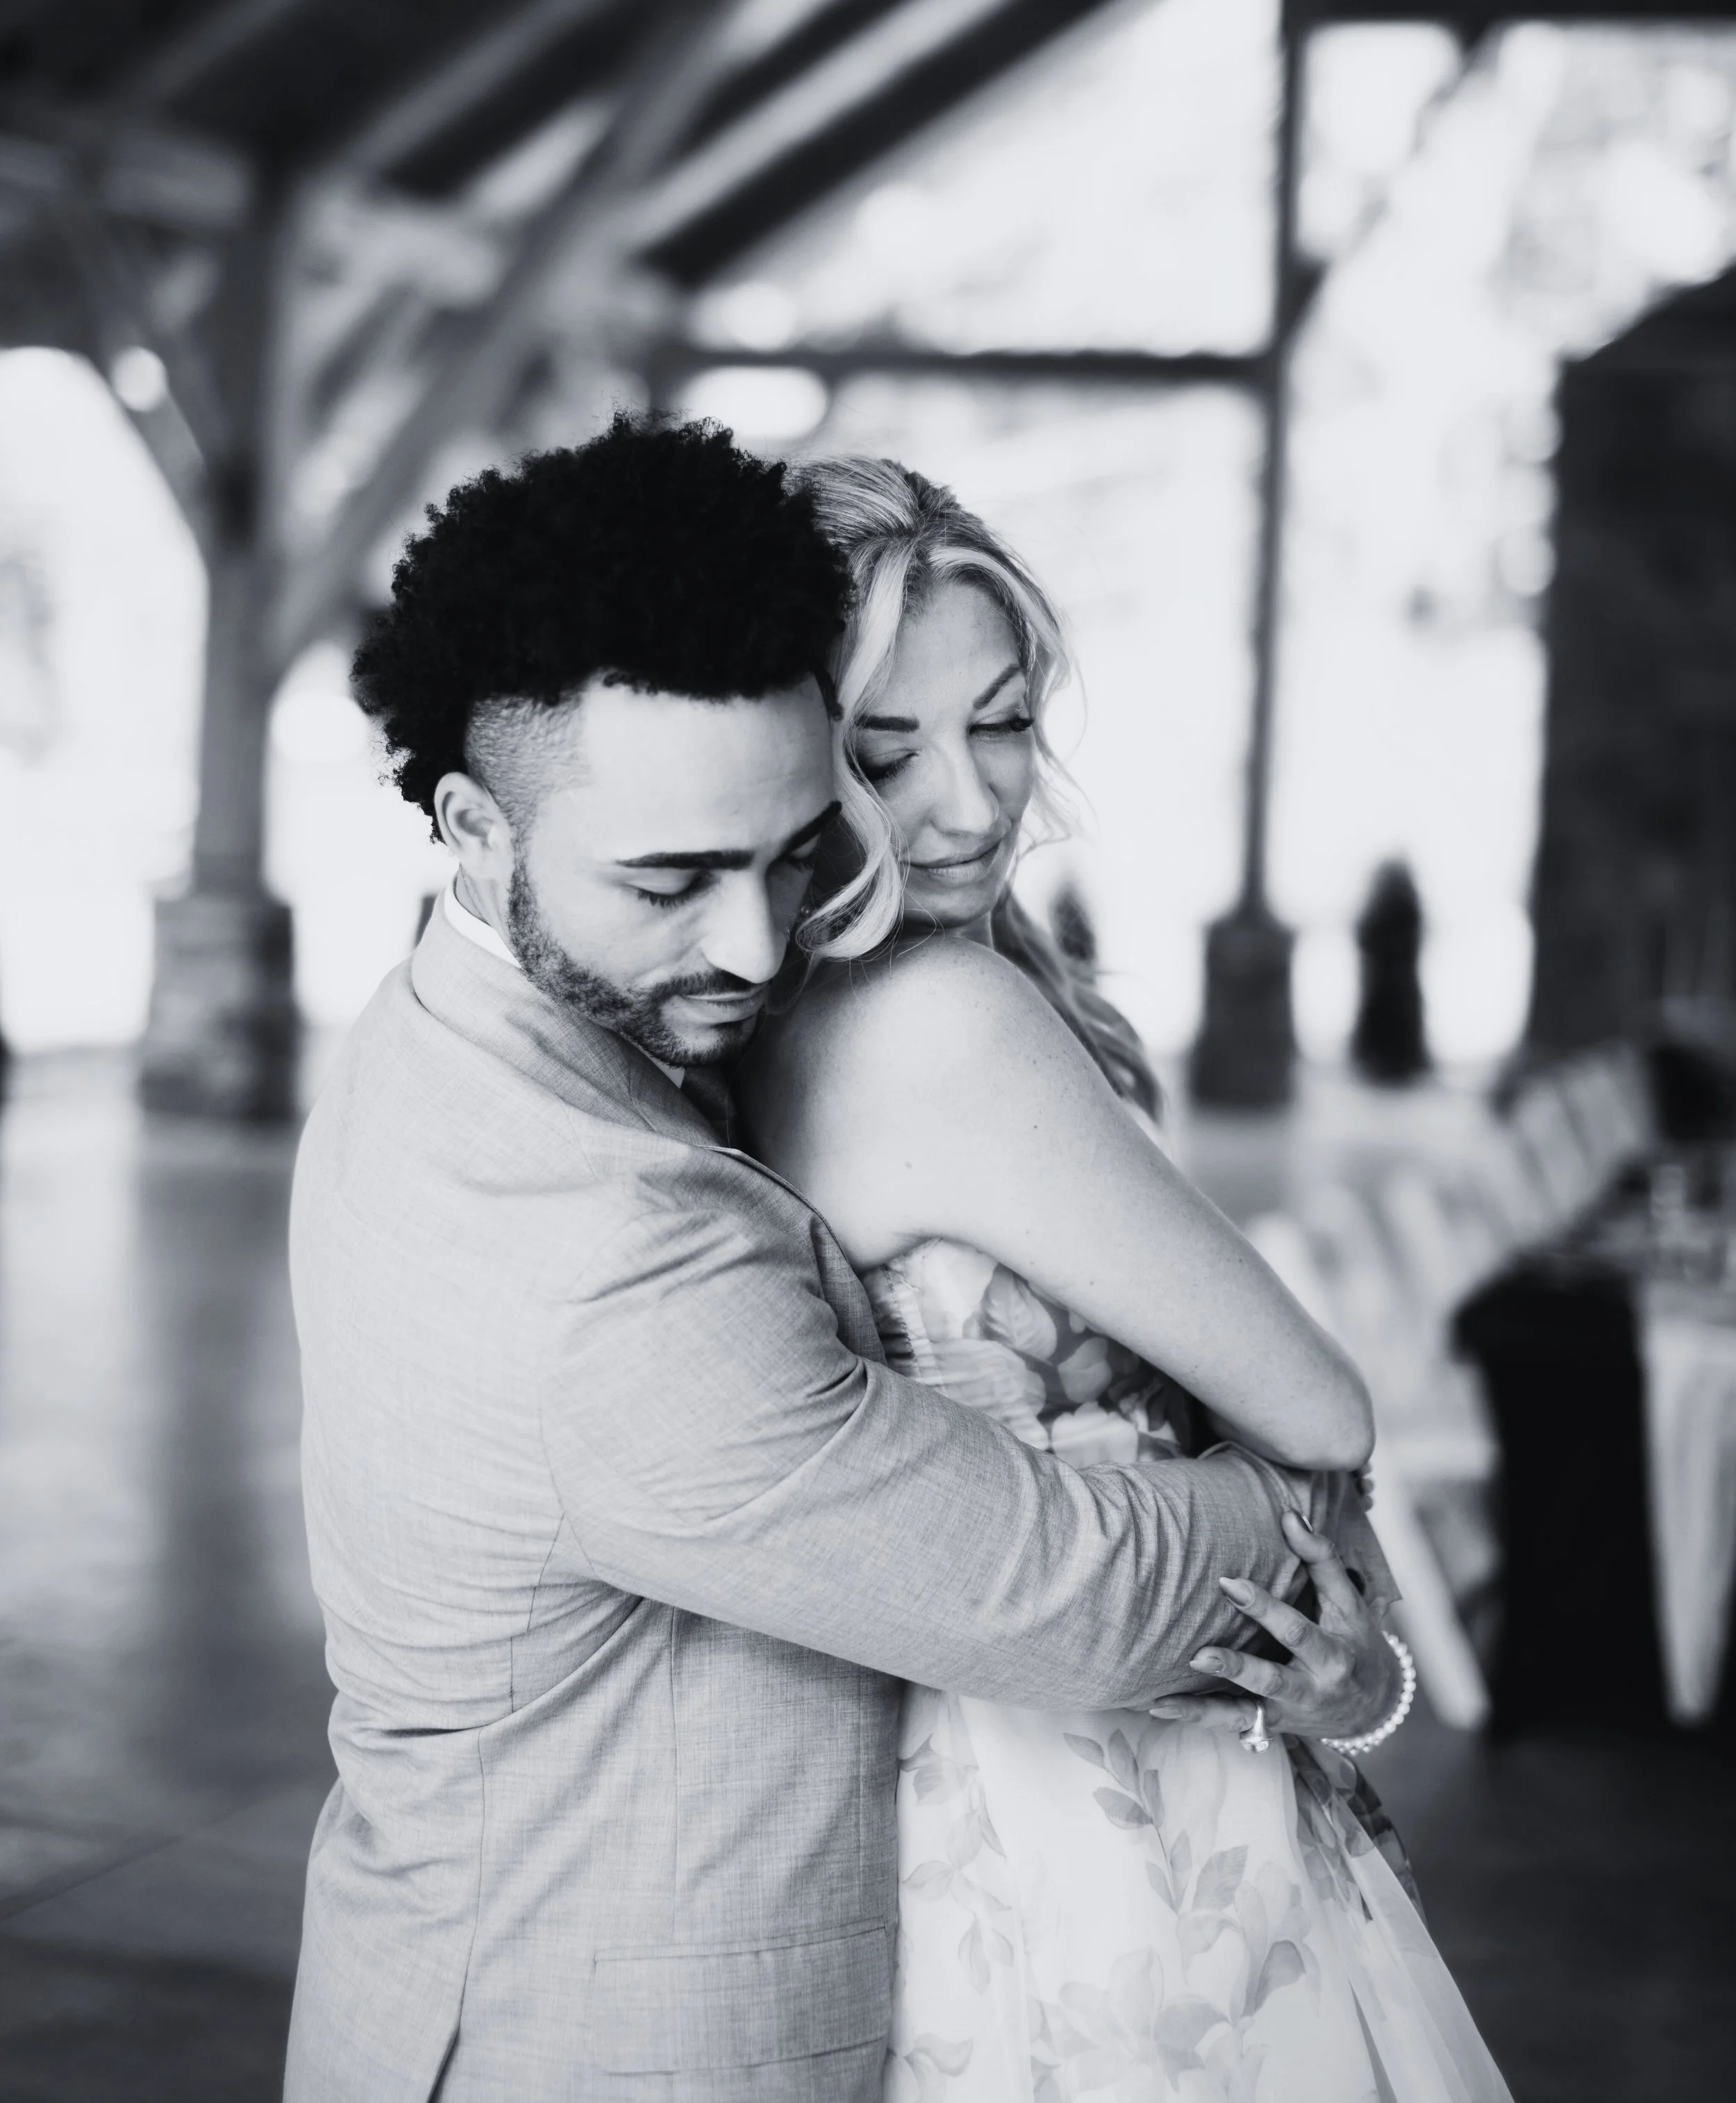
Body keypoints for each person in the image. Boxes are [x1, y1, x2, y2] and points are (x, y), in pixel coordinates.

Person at [285, 417, 1400, 2103]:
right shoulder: (632, 1240)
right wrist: (1311, 1528)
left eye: (789, 847)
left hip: (549, 1939)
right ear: (476, 829)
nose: (746, 937)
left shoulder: (451, 1033)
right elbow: (1093, 1588)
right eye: (671, 878)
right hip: (648, 2018)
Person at [740, 454, 1514, 2103]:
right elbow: (1316, 1398)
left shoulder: (758, 1016)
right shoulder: (944, 1021)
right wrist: (1328, 1561)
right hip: (1089, 1800)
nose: (966, 801)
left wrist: (1352, 1677)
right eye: (885, 749)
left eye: (1002, 722)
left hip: (935, 1781)